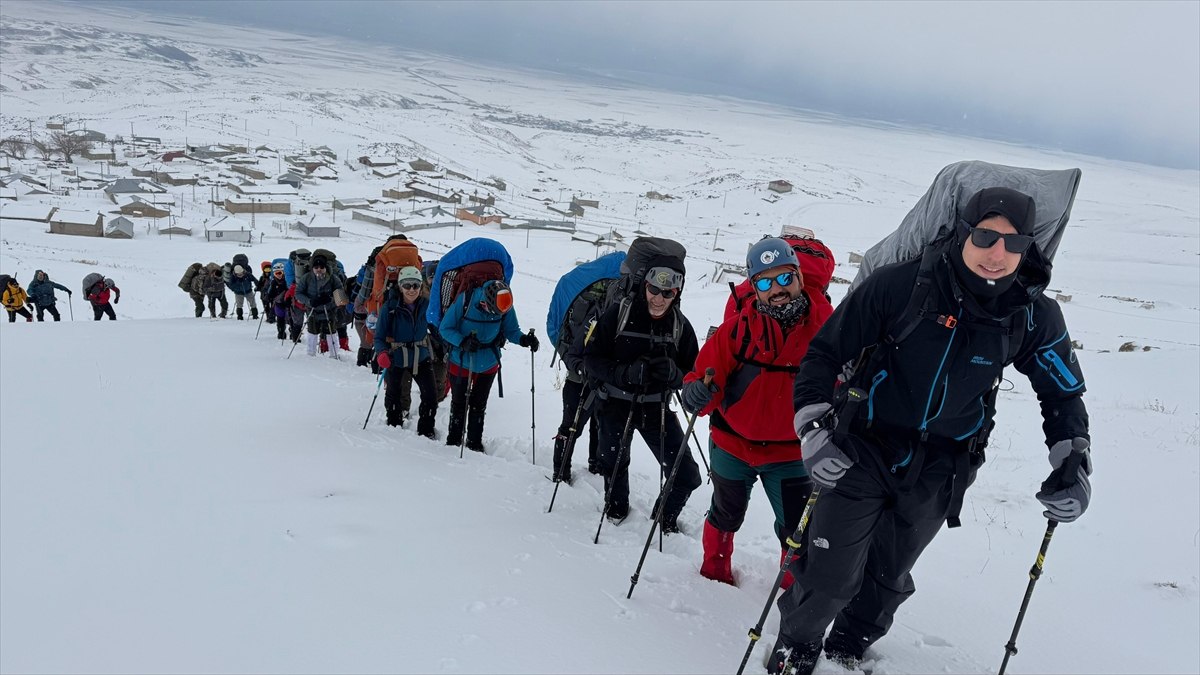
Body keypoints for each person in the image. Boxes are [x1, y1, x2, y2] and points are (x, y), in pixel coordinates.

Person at [769, 187, 1092, 674]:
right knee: (830, 573)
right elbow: (824, 354)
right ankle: (797, 647)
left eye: (1014, 242)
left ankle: (850, 647)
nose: (997, 253)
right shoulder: (901, 287)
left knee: (889, 574)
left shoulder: (1030, 312)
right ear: (963, 232)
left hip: (945, 465)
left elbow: (1063, 393)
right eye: (985, 235)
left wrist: (1073, 463)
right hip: (862, 446)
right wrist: (814, 428)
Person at [680, 237, 833, 585]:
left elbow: (843, 380)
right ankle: (713, 576)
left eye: (784, 279)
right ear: (754, 287)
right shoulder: (738, 330)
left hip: (792, 454)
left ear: (798, 277)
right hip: (732, 445)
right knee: (725, 514)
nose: (776, 289)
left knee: (796, 528)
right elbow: (704, 375)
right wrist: (695, 394)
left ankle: (791, 590)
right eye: (764, 282)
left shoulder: (826, 330)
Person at [578, 259, 701, 529]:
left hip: (656, 409)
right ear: (645, 286)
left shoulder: (680, 325)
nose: (658, 298)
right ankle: (615, 511)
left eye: (667, 293)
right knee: (613, 465)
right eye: (654, 290)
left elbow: (694, 373)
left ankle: (663, 522)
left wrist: (674, 374)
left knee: (686, 475)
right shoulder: (618, 313)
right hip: (614, 404)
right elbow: (592, 360)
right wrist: (624, 374)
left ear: (676, 293)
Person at [438, 279, 538, 452]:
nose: (496, 315)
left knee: (479, 404)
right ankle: (453, 441)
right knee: (459, 402)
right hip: (461, 360)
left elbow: (511, 330)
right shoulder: (466, 300)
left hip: (488, 362)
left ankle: (474, 443)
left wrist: (523, 340)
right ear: (485, 302)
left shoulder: (504, 303)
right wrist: (462, 342)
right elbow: (445, 328)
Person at [373, 266, 439, 437]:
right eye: (407, 285)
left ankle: (426, 430)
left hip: (421, 356)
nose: (411, 290)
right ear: (400, 286)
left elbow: (437, 329)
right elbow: (379, 337)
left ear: (420, 286)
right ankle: (394, 426)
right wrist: (381, 353)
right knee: (393, 395)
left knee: (431, 396)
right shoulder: (390, 307)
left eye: (415, 285)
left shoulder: (427, 305)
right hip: (395, 356)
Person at [294, 254, 344, 356]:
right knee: (312, 332)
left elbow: (341, 296)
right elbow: (298, 293)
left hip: (329, 310)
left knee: (331, 332)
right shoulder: (306, 278)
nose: (319, 269)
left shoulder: (333, 278)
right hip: (313, 310)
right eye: (316, 267)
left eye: (321, 267)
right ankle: (310, 354)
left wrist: (330, 299)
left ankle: (334, 354)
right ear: (313, 268)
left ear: (325, 267)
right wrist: (310, 301)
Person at [263, 263, 291, 340]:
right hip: (278, 303)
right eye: (276, 273)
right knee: (280, 319)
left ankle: (293, 332)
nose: (279, 275)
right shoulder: (273, 282)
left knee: (291, 319)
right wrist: (268, 297)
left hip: (288, 303)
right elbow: (271, 292)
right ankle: (281, 332)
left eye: (280, 273)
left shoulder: (287, 281)